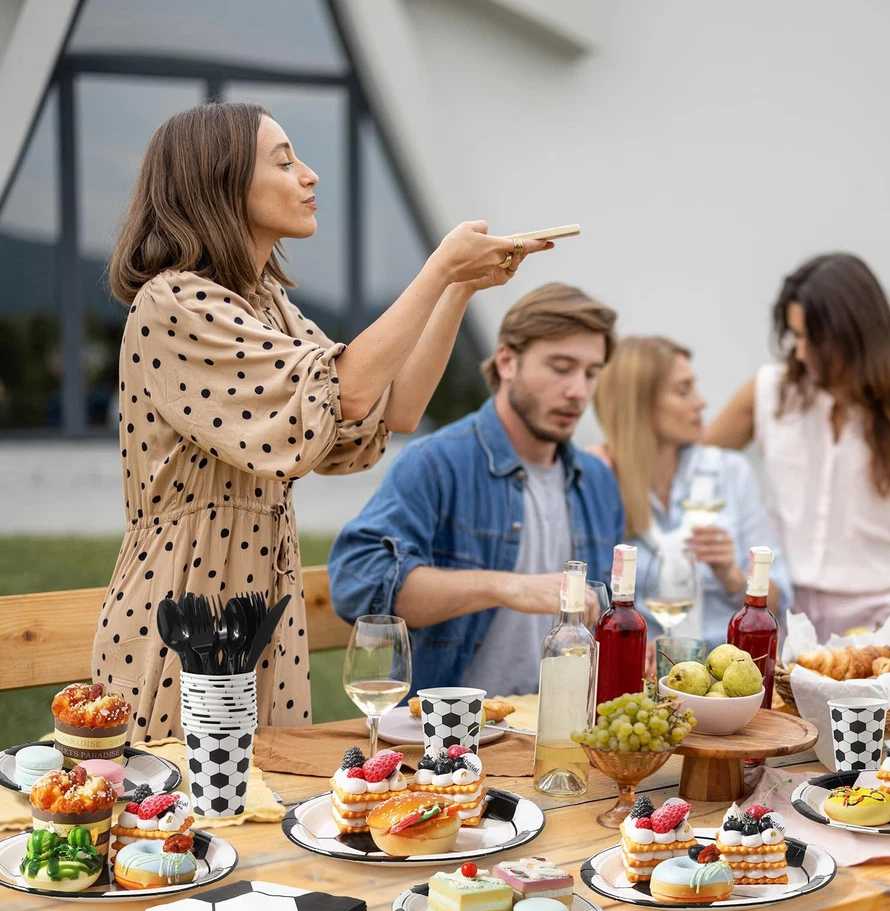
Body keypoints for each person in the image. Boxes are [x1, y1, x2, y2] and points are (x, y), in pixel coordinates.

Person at [92, 102, 549, 741]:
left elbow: (391, 407)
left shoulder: (267, 306)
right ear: (219, 182)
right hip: (185, 607)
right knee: (174, 821)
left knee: (256, 809)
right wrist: (438, 267)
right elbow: (349, 389)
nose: (309, 176)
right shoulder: (172, 303)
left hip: (257, 599)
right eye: (283, 161)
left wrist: (459, 290)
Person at [328, 283, 624, 696]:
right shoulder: (436, 462)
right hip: (451, 738)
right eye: (561, 367)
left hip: (569, 730)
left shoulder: (598, 480)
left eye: (591, 373)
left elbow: (619, 609)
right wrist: (508, 586)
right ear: (506, 360)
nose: (578, 391)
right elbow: (357, 584)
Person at [705, 252, 890, 642]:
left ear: (856, 337)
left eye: (813, 339)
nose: (800, 351)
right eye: (796, 335)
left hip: (879, 620)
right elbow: (696, 464)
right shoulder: (770, 390)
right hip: (779, 610)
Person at [591, 336, 792, 650]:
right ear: (638, 403)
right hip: (643, 674)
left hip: (729, 670)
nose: (700, 402)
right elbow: (589, 602)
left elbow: (781, 602)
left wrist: (733, 576)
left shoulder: (729, 471)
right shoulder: (597, 480)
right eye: (683, 391)